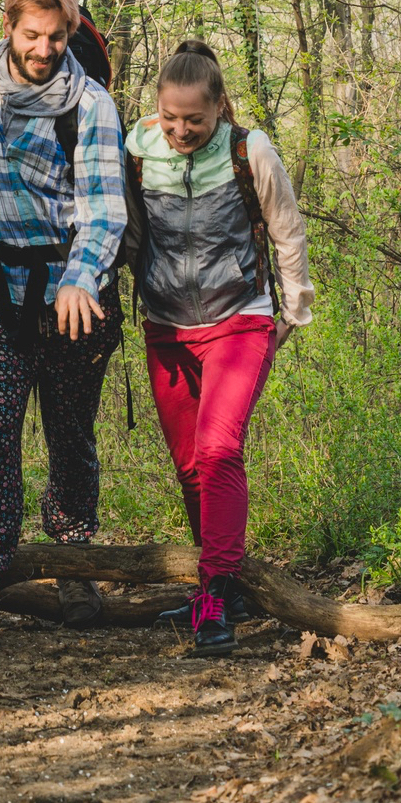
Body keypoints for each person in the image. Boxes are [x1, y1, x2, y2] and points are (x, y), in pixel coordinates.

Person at [0, 0, 127, 655]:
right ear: (9, 26)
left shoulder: (93, 104)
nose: (43, 48)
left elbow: (105, 207)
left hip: (74, 297)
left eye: (56, 36)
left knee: (69, 433)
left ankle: (73, 563)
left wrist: (81, 277)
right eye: (31, 34)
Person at [123, 39, 314, 656]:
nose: (181, 130)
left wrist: (293, 310)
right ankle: (222, 584)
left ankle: (214, 591)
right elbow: (125, 229)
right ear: (157, 109)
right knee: (187, 464)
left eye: (195, 120)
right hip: (166, 324)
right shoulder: (136, 148)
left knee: (218, 449)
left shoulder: (248, 148)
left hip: (240, 317)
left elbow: (286, 228)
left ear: (219, 108)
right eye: (171, 118)